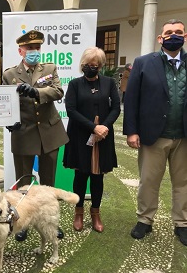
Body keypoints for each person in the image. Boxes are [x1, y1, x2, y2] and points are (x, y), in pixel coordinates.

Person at [123, 19, 187, 246]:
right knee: (149, 181)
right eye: (168, 33)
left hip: (184, 136)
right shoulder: (143, 63)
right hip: (153, 135)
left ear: (185, 36)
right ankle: (145, 220)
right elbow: (131, 100)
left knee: (183, 182)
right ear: (160, 38)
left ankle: (182, 223)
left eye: (179, 32)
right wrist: (132, 131)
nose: (174, 36)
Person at [2, 30, 69, 241]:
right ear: (21, 50)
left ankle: (50, 222)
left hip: (49, 132)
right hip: (24, 134)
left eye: (37, 48)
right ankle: (22, 224)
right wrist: (8, 120)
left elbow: (58, 91)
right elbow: (4, 103)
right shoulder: (9, 74)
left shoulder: (49, 68)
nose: (34, 52)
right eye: (30, 48)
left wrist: (37, 93)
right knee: (24, 182)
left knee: (49, 183)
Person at [63, 47, 120, 233]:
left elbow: (116, 108)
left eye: (95, 65)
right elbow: (71, 110)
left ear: (100, 66)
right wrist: (93, 127)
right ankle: (78, 212)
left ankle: (95, 213)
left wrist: (104, 127)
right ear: (82, 65)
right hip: (81, 135)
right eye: (88, 65)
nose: (91, 68)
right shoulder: (74, 84)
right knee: (81, 174)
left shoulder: (109, 83)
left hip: (103, 135)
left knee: (98, 175)